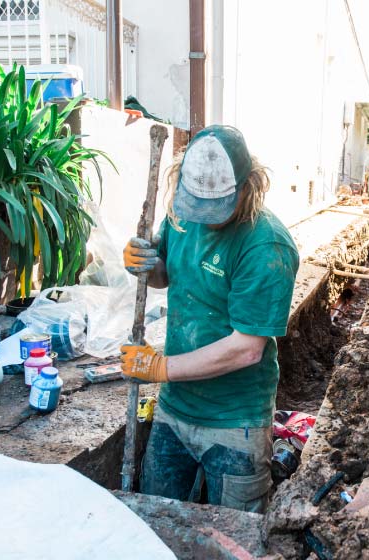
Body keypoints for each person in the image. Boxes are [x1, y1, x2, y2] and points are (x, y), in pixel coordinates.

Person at [121, 125, 299, 512]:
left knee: (234, 537)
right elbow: (164, 275)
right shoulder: (181, 214)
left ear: (248, 187)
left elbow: (246, 349)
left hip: (236, 422)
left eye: (215, 208)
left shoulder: (267, 246)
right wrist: (144, 263)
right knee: (154, 521)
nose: (204, 218)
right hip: (175, 409)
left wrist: (160, 368)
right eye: (196, 205)